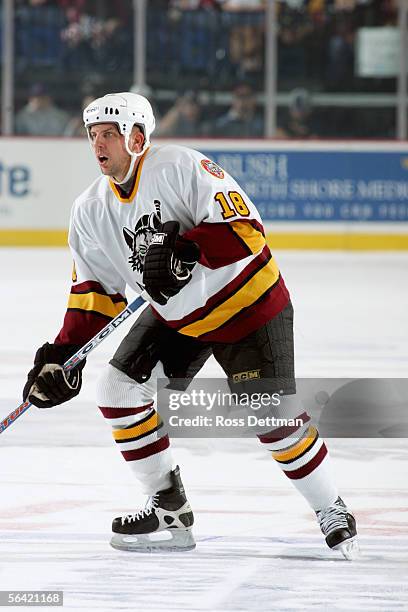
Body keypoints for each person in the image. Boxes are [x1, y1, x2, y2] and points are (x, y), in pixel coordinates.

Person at [22, 91, 358, 558]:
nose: (99, 144)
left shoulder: (180, 167)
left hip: (249, 307)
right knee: (118, 390)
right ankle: (168, 508)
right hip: (179, 318)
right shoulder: (89, 210)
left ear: (137, 137)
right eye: (93, 135)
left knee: (269, 415)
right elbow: (95, 295)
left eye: (109, 134)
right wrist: (61, 355)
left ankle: (330, 506)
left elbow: (246, 229)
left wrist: (188, 250)